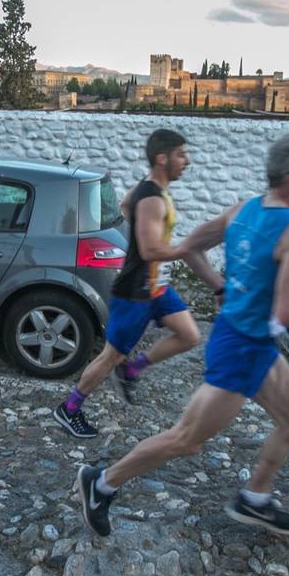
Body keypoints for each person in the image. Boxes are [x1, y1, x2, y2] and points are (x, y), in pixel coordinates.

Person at [77, 136, 289, 536]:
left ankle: (255, 498)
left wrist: (219, 287)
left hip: (254, 344)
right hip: (241, 350)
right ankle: (101, 483)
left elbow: (190, 247)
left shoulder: (245, 209)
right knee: (186, 439)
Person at [52, 129, 201, 438]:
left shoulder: (147, 191)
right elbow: (149, 250)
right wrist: (186, 249)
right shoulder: (153, 200)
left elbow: (124, 205)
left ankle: (132, 369)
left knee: (189, 334)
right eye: (181, 155)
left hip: (156, 287)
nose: (186, 161)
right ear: (163, 158)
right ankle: (69, 409)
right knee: (110, 357)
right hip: (135, 293)